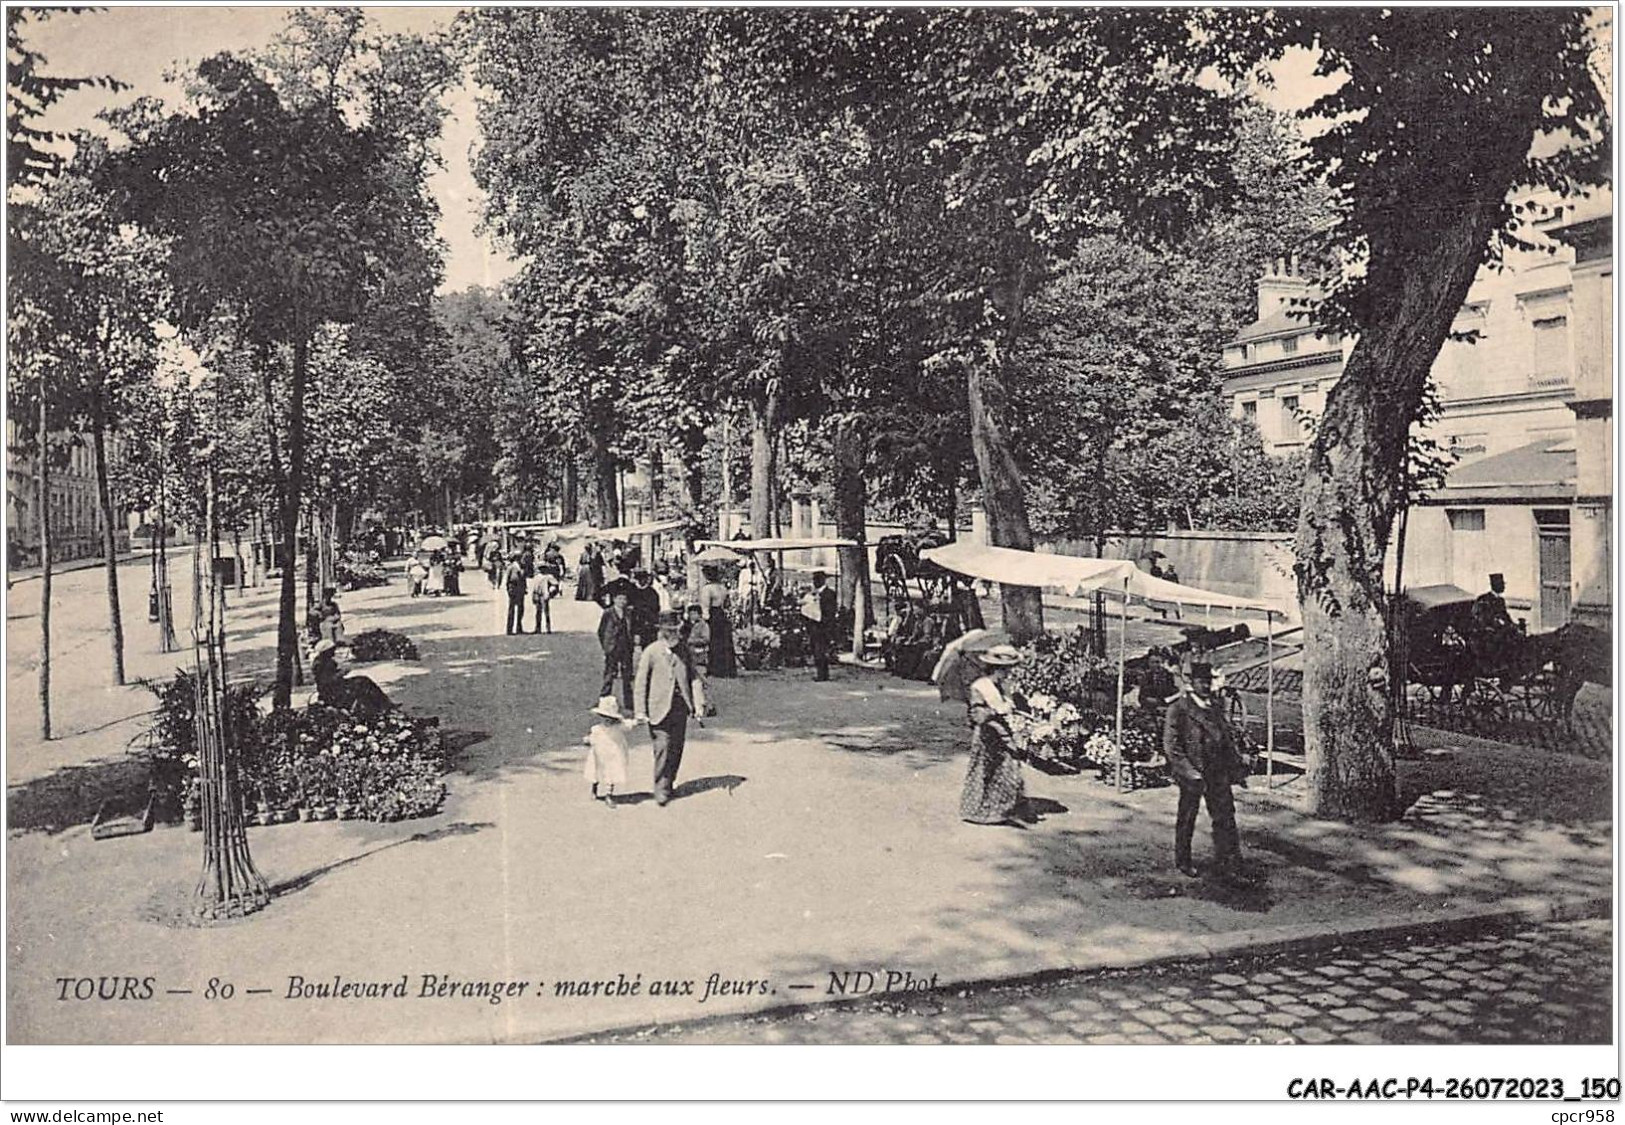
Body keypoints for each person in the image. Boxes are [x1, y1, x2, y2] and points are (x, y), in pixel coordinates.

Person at [1163, 662, 1248, 882]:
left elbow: (1226, 739)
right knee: (1187, 817)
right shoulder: (1179, 709)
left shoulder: (1215, 707)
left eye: (1208, 682)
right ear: (1191, 683)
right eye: (1201, 682)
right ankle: (1183, 860)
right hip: (1194, 773)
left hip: (1217, 771)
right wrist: (1188, 771)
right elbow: (1172, 746)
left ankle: (1228, 860)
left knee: (1225, 817)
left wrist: (1236, 765)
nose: (1206, 686)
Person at [634, 615, 700, 806]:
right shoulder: (651, 652)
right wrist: (640, 710)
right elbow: (641, 683)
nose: (673, 634)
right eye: (669, 630)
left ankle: (669, 781)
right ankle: (660, 787)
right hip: (658, 707)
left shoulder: (683, 651)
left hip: (679, 707)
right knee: (662, 746)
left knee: (677, 747)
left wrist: (698, 702)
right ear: (661, 631)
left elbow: (693, 676)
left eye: (676, 630)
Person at [959, 644, 1027, 826]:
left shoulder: (1001, 686)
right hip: (988, 734)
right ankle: (981, 810)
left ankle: (1001, 808)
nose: (1008, 674)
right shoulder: (980, 687)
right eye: (1006, 670)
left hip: (1001, 732)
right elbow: (977, 715)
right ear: (997, 669)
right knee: (986, 770)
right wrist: (997, 711)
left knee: (1007, 768)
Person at [311, 640, 394, 718]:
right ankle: (382, 706)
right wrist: (342, 673)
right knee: (363, 683)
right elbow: (327, 681)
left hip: (336, 686)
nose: (334, 651)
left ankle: (381, 705)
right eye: (332, 650)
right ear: (326, 651)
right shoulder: (321, 664)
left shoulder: (324, 661)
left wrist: (340, 672)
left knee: (363, 680)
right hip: (332, 691)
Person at [582, 695, 635, 808]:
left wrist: (638, 721)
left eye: (610, 718)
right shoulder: (597, 729)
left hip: (613, 755)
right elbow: (591, 738)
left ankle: (608, 795)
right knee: (595, 773)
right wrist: (588, 740)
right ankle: (594, 789)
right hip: (598, 755)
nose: (607, 720)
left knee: (611, 774)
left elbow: (629, 725)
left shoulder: (619, 727)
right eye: (603, 717)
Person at [597, 589, 636, 712]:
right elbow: (601, 630)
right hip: (613, 647)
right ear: (614, 600)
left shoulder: (629, 613)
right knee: (609, 673)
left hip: (626, 647)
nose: (622, 602)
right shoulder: (608, 612)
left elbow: (632, 628)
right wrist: (606, 646)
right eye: (619, 599)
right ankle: (604, 698)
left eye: (624, 599)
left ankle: (628, 702)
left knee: (627, 675)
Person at [697, 566, 737, 678]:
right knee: (724, 642)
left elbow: (705, 605)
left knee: (714, 642)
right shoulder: (722, 588)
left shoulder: (707, 589)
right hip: (721, 614)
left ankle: (715, 668)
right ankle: (727, 668)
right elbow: (728, 604)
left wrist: (704, 619)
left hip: (713, 615)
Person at [680, 603, 714, 717]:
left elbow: (706, 639)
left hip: (700, 656)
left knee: (700, 681)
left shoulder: (703, 625)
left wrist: (692, 640)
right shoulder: (686, 626)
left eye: (694, 613)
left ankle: (707, 706)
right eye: (690, 614)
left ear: (699, 614)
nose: (692, 616)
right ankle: (693, 707)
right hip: (688, 656)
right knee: (689, 682)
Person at [803, 570, 838, 681]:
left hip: (823, 626)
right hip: (814, 626)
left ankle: (822, 674)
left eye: (816, 580)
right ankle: (821, 672)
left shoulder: (829, 593)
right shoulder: (814, 593)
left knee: (820, 650)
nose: (814, 582)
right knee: (815, 649)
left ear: (822, 580)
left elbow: (830, 611)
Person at [1472, 573, 1519, 640]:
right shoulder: (1483, 599)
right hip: (1487, 633)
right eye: (1501, 584)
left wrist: (1513, 625)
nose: (1504, 587)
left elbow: (1505, 615)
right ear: (1495, 585)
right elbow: (1480, 617)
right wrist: (1496, 622)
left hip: (1499, 631)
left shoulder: (1501, 600)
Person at [628, 569, 661, 650]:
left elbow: (656, 608)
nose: (642, 581)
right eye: (640, 579)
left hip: (649, 623)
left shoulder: (652, 592)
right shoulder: (633, 591)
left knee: (650, 646)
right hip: (636, 622)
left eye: (644, 579)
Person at [503, 555, 528, 636]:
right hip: (513, 588)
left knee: (521, 609)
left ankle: (519, 628)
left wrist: (525, 588)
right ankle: (509, 629)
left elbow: (523, 579)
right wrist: (508, 589)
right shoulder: (511, 567)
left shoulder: (522, 567)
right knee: (512, 609)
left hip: (520, 589)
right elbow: (507, 579)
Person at [529, 565, 556, 634]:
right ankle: (538, 628)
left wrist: (551, 591)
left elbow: (555, 584)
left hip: (544, 595)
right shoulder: (537, 577)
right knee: (538, 612)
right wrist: (533, 595)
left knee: (546, 612)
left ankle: (548, 628)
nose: (542, 570)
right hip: (537, 594)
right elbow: (534, 587)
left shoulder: (548, 577)